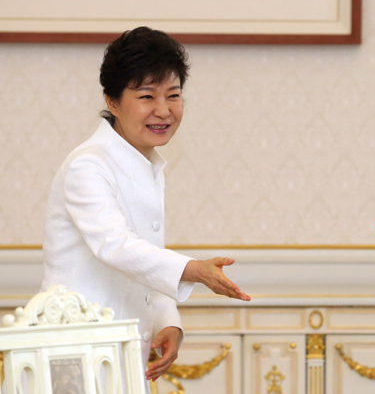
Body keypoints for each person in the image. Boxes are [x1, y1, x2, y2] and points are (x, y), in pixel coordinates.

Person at [40, 26, 250, 389]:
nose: (164, 111)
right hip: (77, 349)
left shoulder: (146, 163)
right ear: (113, 101)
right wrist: (193, 269)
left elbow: (146, 256)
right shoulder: (88, 165)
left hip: (122, 347)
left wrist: (168, 321)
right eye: (147, 96)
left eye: (173, 95)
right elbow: (115, 245)